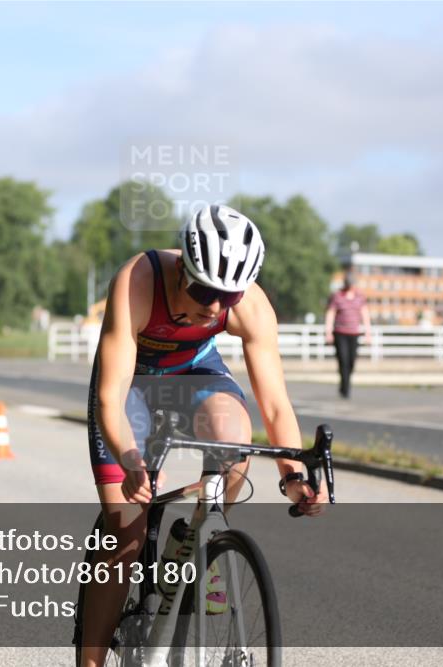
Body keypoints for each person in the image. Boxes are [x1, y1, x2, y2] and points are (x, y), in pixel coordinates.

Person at [81, 204, 327, 666]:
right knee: (125, 531)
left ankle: (199, 538)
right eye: (203, 289)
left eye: (227, 297)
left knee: (234, 440)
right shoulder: (137, 281)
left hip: (193, 373)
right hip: (132, 383)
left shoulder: (249, 304)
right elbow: (111, 398)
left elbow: (274, 403)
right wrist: (132, 458)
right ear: (182, 269)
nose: (213, 306)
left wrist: (294, 474)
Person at [324, 271, 372, 399]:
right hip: (340, 333)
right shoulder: (337, 296)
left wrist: (368, 332)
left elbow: (365, 314)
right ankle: (345, 388)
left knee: (351, 361)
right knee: (343, 360)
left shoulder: (360, 296)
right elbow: (331, 313)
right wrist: (328, 332)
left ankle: (345, 382)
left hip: (354, 333)